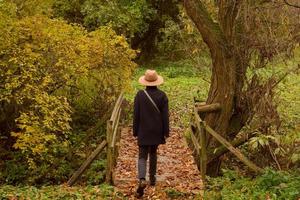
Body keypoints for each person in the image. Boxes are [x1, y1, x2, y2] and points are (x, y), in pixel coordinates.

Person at [133, 69, 169, 198]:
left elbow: (136, 115)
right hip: (156, 130)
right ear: (157, 82)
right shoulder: (162, 96)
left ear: (145, 82)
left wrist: (135, 131)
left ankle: (142, 178)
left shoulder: (140, 95)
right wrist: (166, 131)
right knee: (153, 152)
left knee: (142, 155)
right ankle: (152, 178)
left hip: (143, 130)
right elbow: (165, 116)